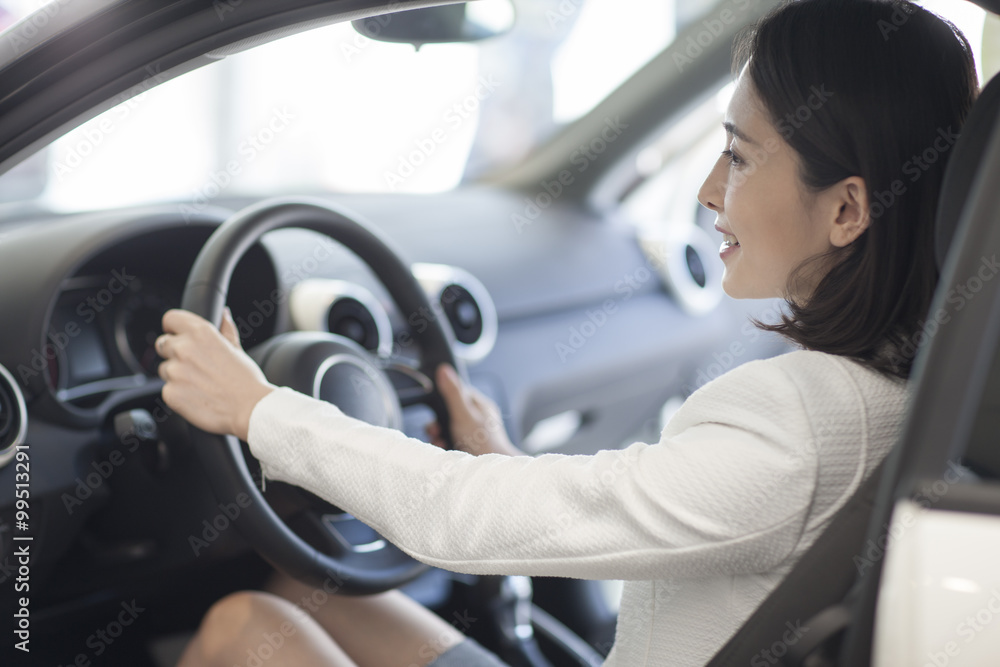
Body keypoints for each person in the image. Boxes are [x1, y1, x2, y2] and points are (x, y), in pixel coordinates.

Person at [161, 1, 980, 665]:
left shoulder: (797, 420)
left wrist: (258, 408)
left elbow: (460, 517)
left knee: (241, 629)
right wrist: (511, 466)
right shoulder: (924, 392)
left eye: (738, 156)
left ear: (846, 209)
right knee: (301, 592)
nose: (705, 189)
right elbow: (664, 514)